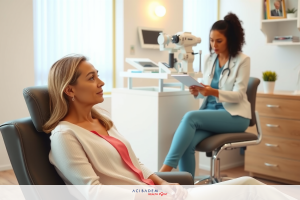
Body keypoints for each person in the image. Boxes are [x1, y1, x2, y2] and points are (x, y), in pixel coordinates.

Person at [44, 54, 296, 200]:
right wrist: (151, 195)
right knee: (245, 188)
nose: (101, 82)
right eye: (91, 78)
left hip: (160, 192)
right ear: (69, 90)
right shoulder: (65, 135)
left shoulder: (102, 121)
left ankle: (169, 169)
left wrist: (163, 183)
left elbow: (136, 163)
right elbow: (93, 192)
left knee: (246, 185)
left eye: (98, 74)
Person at [160, 12, 251, 178]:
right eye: (211, 40)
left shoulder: (242, 60)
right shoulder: (210, 59)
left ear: (230, 39)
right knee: (188, 144)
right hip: (211, 113)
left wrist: (213, 91)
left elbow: (238, 95)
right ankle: (186, 188)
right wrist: (198, 91)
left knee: (190, 117)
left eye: (219, 40)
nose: (213, 45)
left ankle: (164, 172)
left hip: (234, 116)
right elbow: (206, 92)